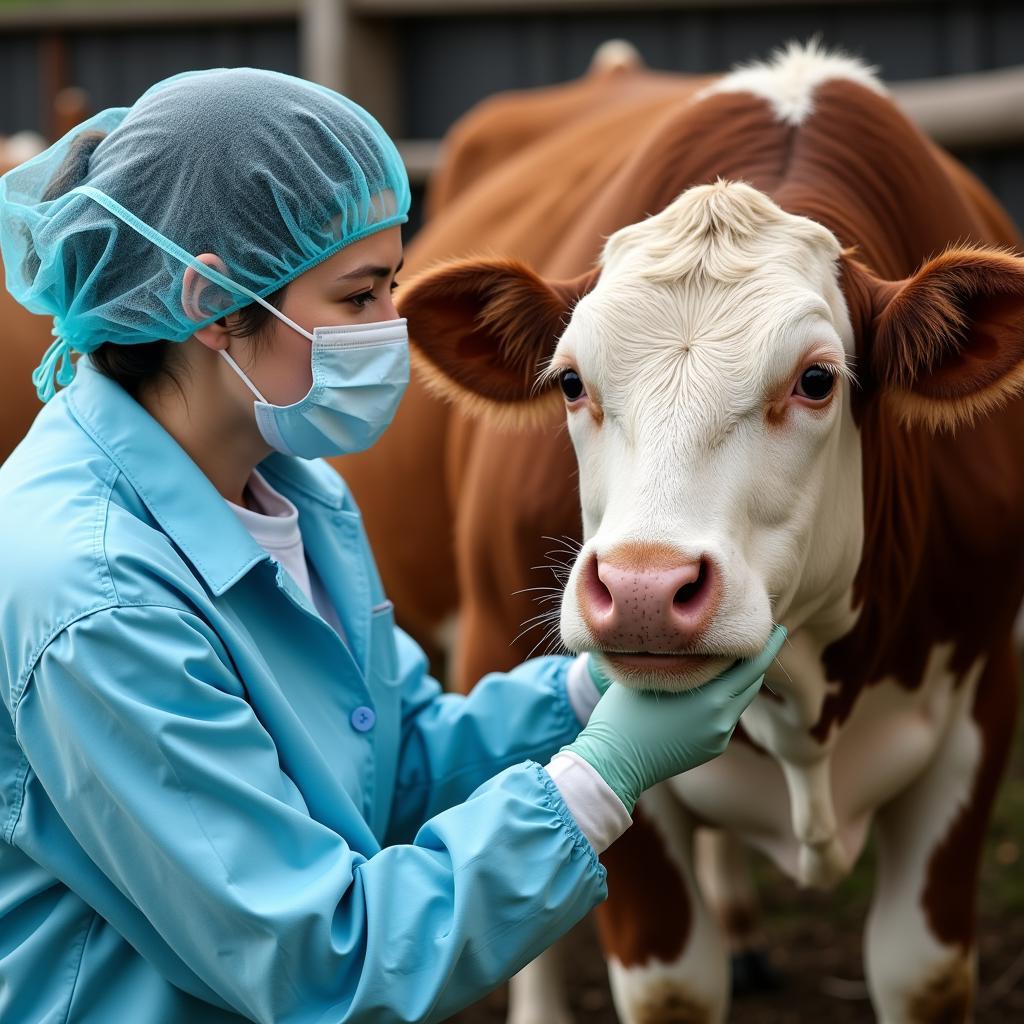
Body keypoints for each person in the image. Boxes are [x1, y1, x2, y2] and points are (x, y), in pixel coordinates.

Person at [0, 68, 784, 1024]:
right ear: (212, 303)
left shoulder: (293, 490)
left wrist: (588, 693)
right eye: (360, 295)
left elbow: (390, 760)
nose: (394, 332)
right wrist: (602, 777)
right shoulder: (97, 598)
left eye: (393, 285)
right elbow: (323, 960)